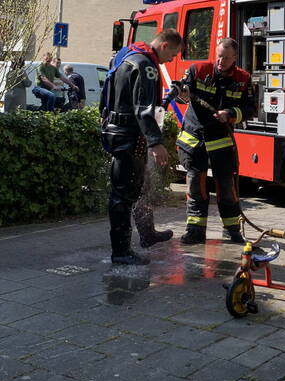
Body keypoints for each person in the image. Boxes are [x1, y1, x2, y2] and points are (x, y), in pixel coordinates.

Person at [101, 29, 183, 265]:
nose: (171, 60)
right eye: (173, 54)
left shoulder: (127, 56)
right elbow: (144, 109)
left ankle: (146, 233)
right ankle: (121, 251)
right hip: (129, 135)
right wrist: (156, 142)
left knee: (139, 186)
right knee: (123, 195)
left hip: (118, 131)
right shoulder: (146, 65)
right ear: (165, 45)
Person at [171, 38, 256, 245]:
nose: (221, 61)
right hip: (194, 138)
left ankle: (232, 231)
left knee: (226, 186)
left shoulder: (243, 79)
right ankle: (195, 231)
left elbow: (250, 109)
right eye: (218, 56)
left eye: (226, 58)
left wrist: (230, 113)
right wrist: (182, 93)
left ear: (235, 58)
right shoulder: (199, 70)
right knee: (195, 185)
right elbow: (183, 94)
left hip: (221, 139)